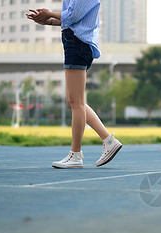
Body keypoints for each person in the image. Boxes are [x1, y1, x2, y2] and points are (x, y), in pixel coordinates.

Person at [26, 0, 122, 169]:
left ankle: (75, 155)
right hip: (75, 42)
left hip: (77, 44)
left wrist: (49, 14)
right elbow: (73, 19)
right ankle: (108, 140)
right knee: (74, 102)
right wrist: (48, 21)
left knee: (76, 103)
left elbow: (73, 15)